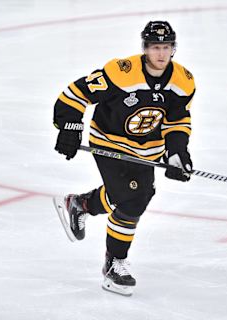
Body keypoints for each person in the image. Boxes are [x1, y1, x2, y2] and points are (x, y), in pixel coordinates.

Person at [52, 21, 195, 296]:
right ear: (145, 48)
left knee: (136, 197)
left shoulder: (183, 81)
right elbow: (75, 93)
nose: (161, 54)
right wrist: (69, 126)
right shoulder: (122, 73)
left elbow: (178, 120)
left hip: (147, 151)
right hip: (110, 142)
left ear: (173, 49)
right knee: (132, 198)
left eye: (166, 47)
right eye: (155, 47)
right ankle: (114, 263)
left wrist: (178, 152)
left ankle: (80, 204)